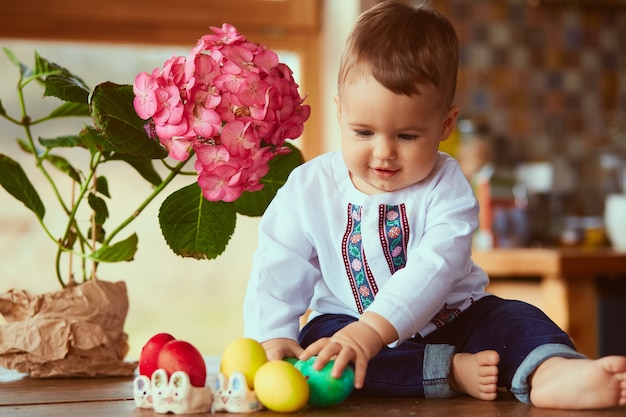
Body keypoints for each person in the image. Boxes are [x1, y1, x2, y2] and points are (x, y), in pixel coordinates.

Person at [243, 0, 626, 409]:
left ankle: (551, 370)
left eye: (407, 136)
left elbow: (436, 266)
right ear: (340, 112)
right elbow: (279, 262)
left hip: (457, 319)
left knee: (516, 318)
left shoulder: (448, 185)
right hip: (347, 323)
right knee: (324, 349)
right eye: (363, 132)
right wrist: (273, 335)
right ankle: (450, 372)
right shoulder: (309, 186)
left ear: (444, 125)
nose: (383, 152)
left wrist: (373, 330)